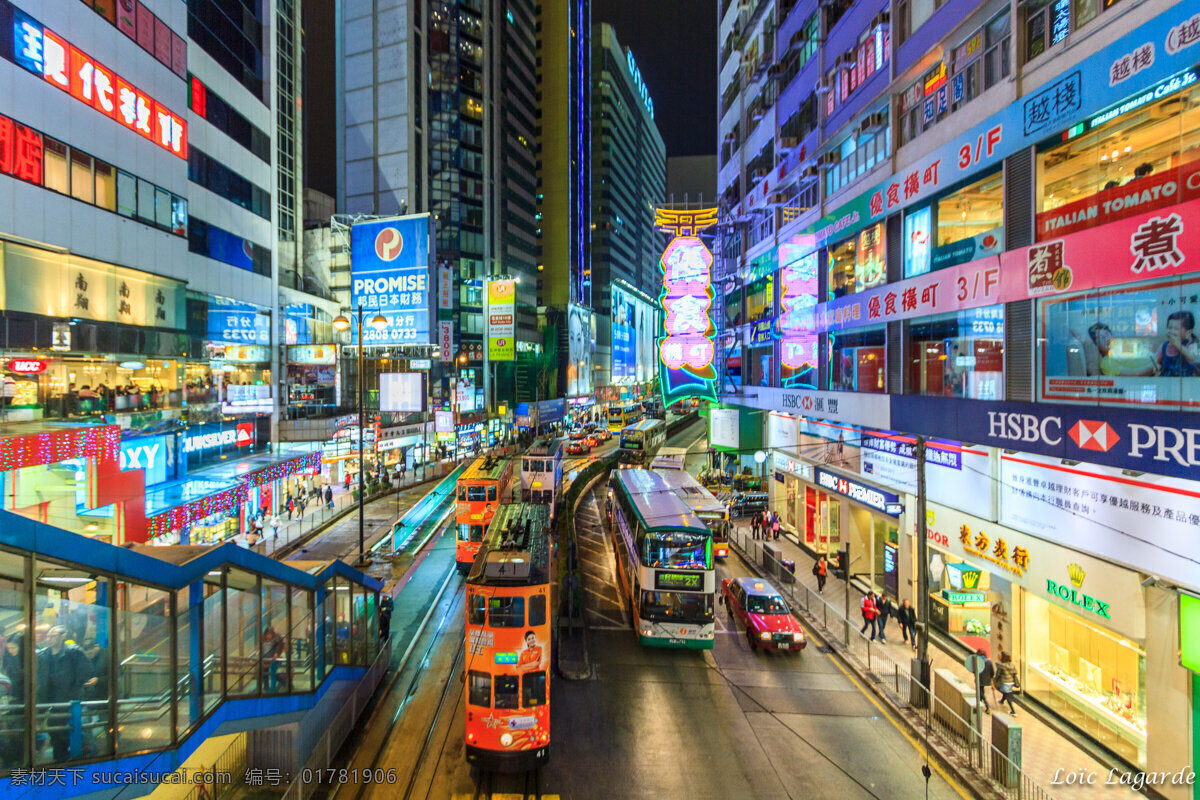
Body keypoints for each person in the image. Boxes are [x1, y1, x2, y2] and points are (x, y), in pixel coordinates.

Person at [36, 626, 93, 760]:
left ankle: (67, 756)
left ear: (63, 636)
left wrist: (73, 687)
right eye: (48, 636)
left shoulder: (74, 652)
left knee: (65, 729)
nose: (49, 639)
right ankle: (60, 757)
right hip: (50, 699)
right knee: (54, 729)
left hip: (69, 699)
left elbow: (86, 671)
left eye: (53, 636)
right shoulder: (43, 654)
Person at [1088, 322, 1157, 377]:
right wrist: (1156, 365)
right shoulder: (1106, 362)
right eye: (1101, 338)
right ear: (1096, 345)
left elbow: (1145, 351)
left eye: (1107, 335)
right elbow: (1136, 374)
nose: (1106, 340)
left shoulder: (1122, 347)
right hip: (1156, 372)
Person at [1157, 311, 1200, 377]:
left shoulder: (1192, 345)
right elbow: (1158, 362)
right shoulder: (1164, 346)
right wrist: (1157, 366)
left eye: (1176, 329)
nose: (1171, 331)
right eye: (1169, 328)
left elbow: (1194, 359)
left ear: (1188, 332)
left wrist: (1177, 344)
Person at [976, 649, 995, 714]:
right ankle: (979, 704)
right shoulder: (989, 662)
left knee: (981, 693)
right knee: (981, 692)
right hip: (987, 680)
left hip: (980, 679)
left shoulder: (978, 662)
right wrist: (992, 682)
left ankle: (987, 706)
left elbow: (974, 671)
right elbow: (992, 673)